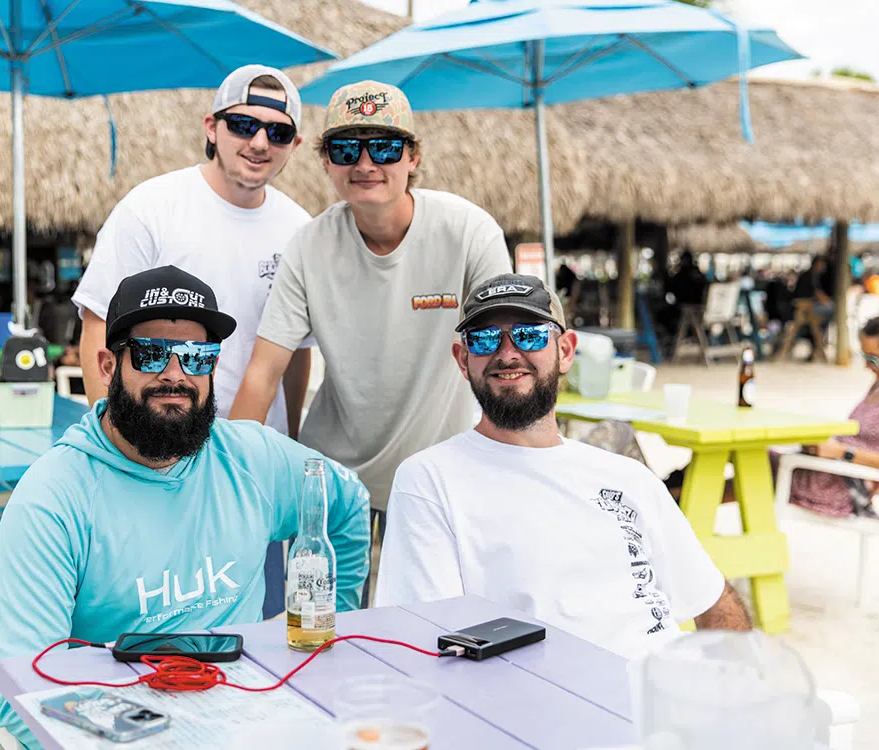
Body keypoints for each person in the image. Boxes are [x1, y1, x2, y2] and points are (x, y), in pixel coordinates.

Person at [0, 267, 370, 749]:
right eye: (150, 353)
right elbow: (15, 687)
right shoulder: (55, 496)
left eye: (196, 356)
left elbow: (347, 502)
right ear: (107, 366)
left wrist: (324, 630)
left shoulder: (252, 457)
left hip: (255, 716)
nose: (175, 374)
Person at [374, 274, 750, 659]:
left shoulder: (627, 477)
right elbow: (424, 646)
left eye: (530, 335)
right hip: (562, 692)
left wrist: (742, 682)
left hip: (666, 682)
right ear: (463, 359)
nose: (507, 353)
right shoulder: (430, 481)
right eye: (484, 339)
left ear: (566, 351)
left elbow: (715, 604)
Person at [229, 81, 513, 585]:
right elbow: (263, 373)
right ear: (326, 162)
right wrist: (225, 480)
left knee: (437, 619)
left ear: (413, 157)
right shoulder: (309, 246)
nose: (364, 164)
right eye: (345, 149)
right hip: (334, 477)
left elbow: (506, 358)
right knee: (321, 621)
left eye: (383, 147)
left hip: (438, 471)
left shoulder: (469, 232)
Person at [72, 64, 312, 439]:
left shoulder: (300, 229)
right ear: (211, 127)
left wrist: (290, 437)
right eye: (244, 125)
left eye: (278, 132)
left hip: (260, 447)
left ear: (294, 145)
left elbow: (296, 352)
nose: (260, 142)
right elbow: (98, 324)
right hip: (156, 446)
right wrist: (112, 444)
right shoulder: (151, 208)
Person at [788, 317, 879, 518]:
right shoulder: (876, 384)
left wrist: (843, 452)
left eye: (873, 359)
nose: (867, 366)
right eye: (863, 357)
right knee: (754, 460)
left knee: (757, 469)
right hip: (829, 469)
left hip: (845, 486)